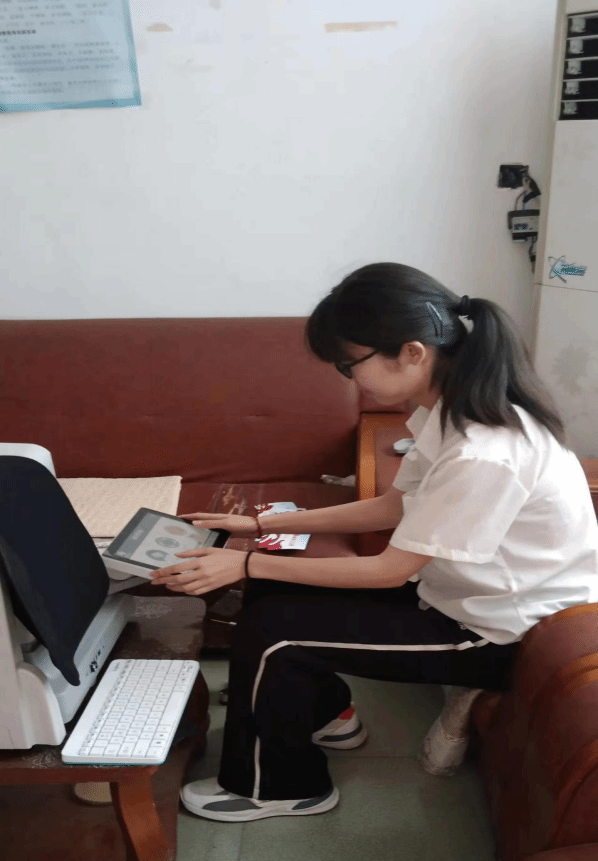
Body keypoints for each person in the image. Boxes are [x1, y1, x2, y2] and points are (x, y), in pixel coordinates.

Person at [149, 262, 598, 823]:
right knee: (271, 591)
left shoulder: (486, 451)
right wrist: (258, 530)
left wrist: (243, 565)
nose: (347, 378)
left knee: (274, 637)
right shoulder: (448, 413)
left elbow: (389, 571)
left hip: (497, 632)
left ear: (412, 352)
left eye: (349, 364)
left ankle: (281, 786)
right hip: (458, 591)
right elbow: (393, 506)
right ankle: (330, 716)